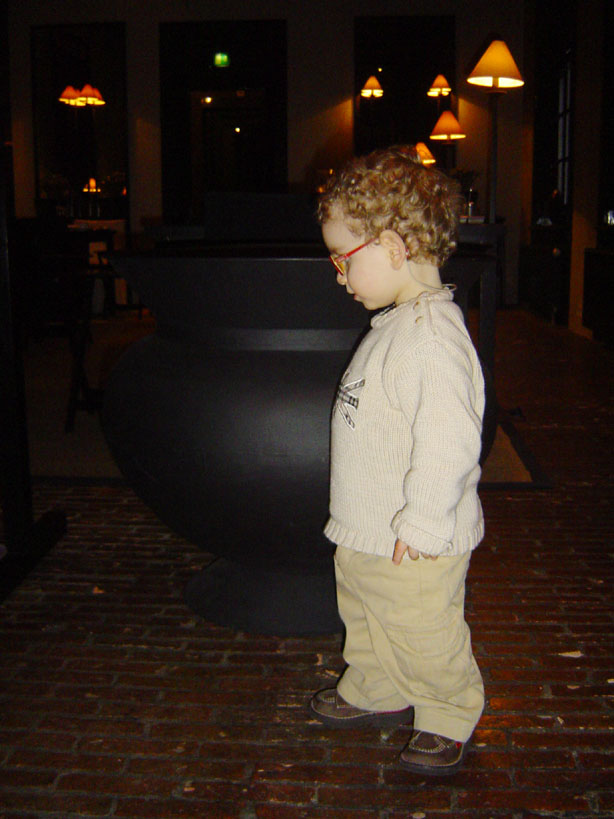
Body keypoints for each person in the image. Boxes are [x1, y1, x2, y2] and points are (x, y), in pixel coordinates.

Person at [309, 144, 485, 776]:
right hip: (367, 530)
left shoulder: (431, 338)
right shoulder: (399, 324)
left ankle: (448, 709)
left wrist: (424, 521)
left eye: (343, 259)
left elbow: (450, 441)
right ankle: (376, 685)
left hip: (415, 539)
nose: (340, 276)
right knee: (365, 614)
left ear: (390, 245)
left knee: (421, 628)